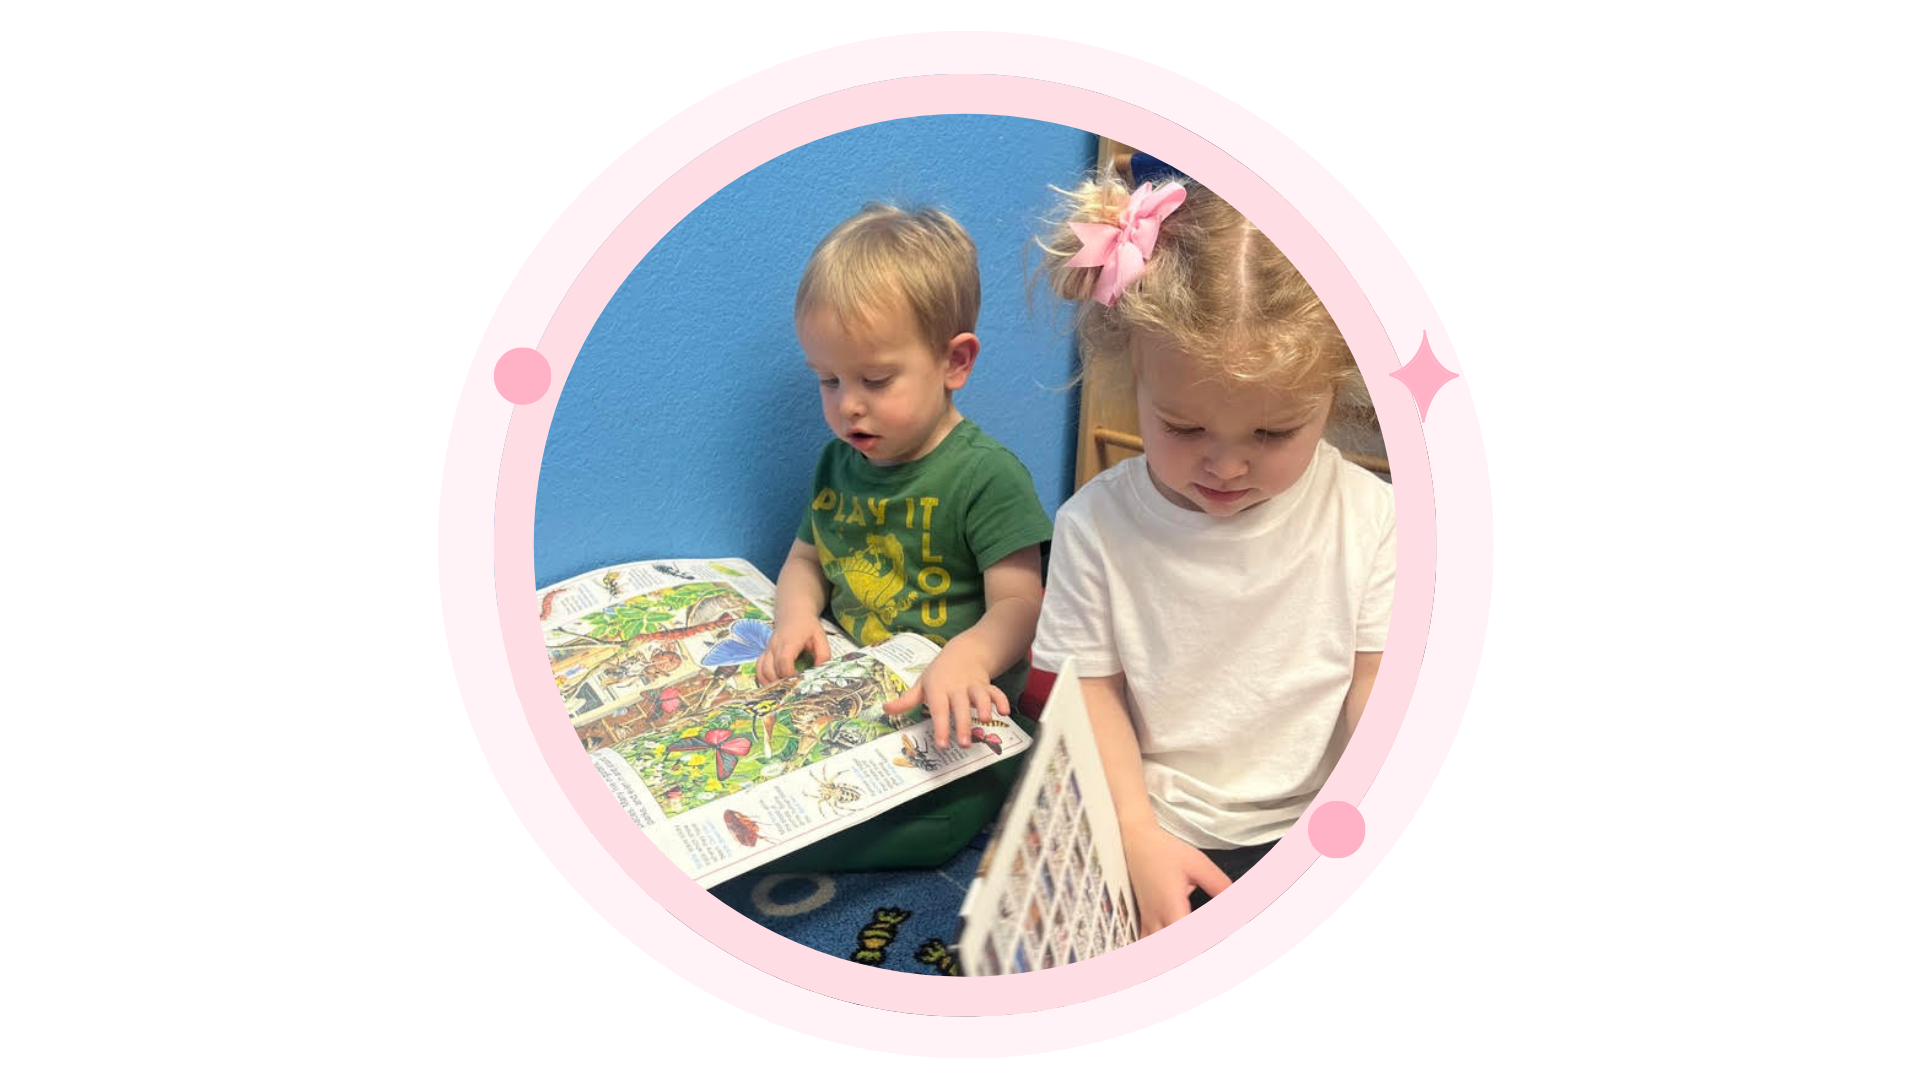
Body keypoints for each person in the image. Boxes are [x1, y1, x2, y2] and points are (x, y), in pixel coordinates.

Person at [1032, 175, 1394, 934]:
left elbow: (1377, 690)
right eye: (1184, 428)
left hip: (1323, 818)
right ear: (1132, 379)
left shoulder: (1371, 517)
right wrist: (1135, 832)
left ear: (1332, 398)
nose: (1225, 467)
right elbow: (1090, 695)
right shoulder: (1092, 526)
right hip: (1152, 815)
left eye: (1272, 433)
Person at [753, 202, 1053, 871]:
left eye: (875, 379)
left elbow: (1021, 605)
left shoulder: (986, 475)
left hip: (956, 702)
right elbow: (805, 559)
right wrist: (796, 618)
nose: (847, 404)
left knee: (932, 828)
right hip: (861, 689)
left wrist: (969, 657)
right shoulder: (837, 463)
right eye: (828, 380)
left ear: (955, 362)